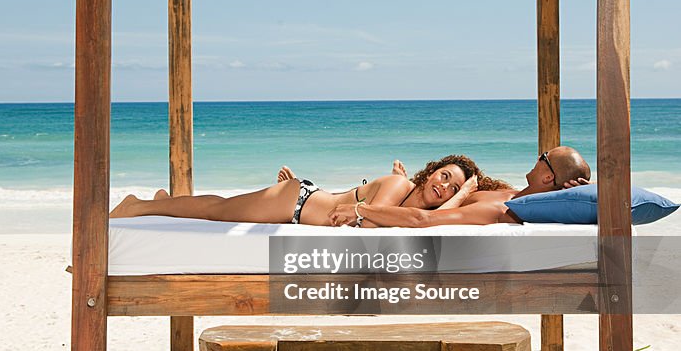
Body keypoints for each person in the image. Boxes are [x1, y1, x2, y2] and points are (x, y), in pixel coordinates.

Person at [110, 154, 486, 226]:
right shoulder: (399, 184)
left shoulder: (405, 198)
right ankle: (138, 206)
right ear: (430, 172)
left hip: (303, 202)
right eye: (444, 176)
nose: (444, 185)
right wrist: (457, 199)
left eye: (452, 186)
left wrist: (457, 201)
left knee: (220, 207)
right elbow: (372, 227)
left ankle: (163, 202)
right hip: (297, 202)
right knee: (217, 211)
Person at [328, 146, 591, 227]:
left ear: (548, 178)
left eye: (544, 157)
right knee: (400, 182)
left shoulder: (502, 209)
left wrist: (362, 210)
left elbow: (424, 219)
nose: (539, 156)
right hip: (421, 200)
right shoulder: (512, 193)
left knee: (393, 186)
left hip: (414, 213)